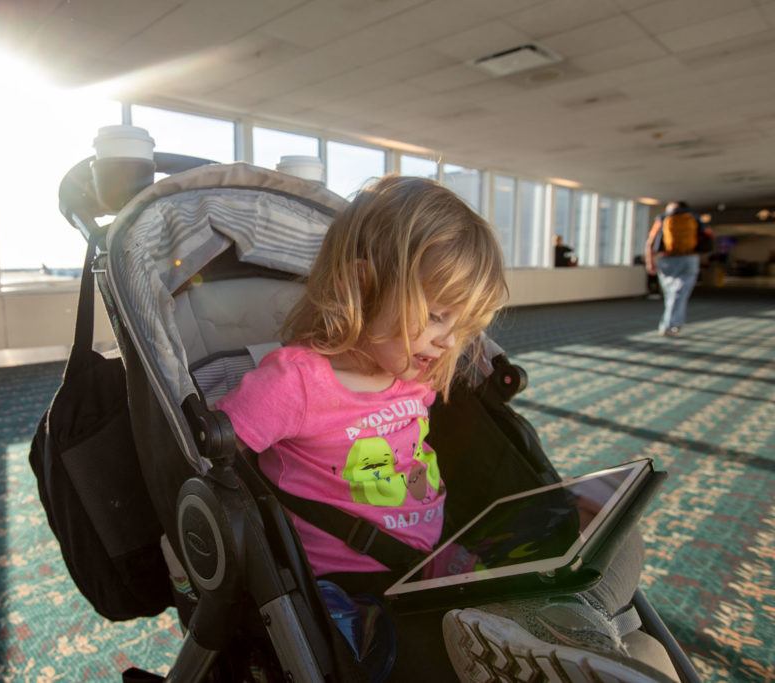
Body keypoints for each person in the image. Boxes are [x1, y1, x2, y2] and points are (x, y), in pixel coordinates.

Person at [217, 176, 676, 682]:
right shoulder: (295, 382)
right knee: (440, 640)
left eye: (462, 324)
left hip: (444, 557)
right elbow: (215, 458)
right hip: (360, 589)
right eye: (437, 316)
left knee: (618, 539)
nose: (448, 341)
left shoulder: (411, 375)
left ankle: (569, 631)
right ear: (362, 285)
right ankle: (554, 632)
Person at [645, 201, 700, 337]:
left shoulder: (663, 219)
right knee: (680, 294)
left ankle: (669, 324)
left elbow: (650, 242)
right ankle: (672, 324)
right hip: (689, 258)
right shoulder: (694, 219)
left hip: (667, 260)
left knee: (671, 295)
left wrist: (649, 261)